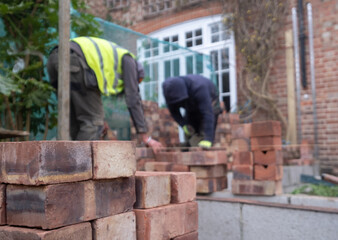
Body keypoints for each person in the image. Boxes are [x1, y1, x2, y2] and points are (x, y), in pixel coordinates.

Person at [47, 36, 162, 151]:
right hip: (75, 60)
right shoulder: (129, 61)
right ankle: (79, 166)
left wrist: (102, 120)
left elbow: (88, 103)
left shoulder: (113, 59)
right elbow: (133, 98)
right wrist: (145, 137)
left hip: (55, 59)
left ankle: (63, 162)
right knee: (92, 122)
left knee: (74, 122)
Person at [162, 74, 222, 148]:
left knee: (202, 138)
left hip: (210, 103)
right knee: (191, 134)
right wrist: (183, 124)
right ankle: (189, 149)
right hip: (191, 106)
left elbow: (208, 114)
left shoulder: (200, 88)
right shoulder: (170, 92)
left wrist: (208, 139)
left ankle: (203, 152)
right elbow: (174, 111)